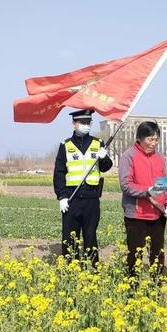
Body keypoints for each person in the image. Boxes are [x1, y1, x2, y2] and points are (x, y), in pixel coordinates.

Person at [53, 109, 113, 266]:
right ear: (74, 123)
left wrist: (104, 157)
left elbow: (106, 167)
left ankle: (93, 271)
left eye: (88, 123)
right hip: (72, 199)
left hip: (91, 198)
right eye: (82, 123)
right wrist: (61, 196)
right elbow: (59, 173)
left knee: (90, 236)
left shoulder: (97, 144)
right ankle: (71, 270)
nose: (85, 126)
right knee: (70, 237)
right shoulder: (65, 146)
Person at [118, 121, 167, 278]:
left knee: (158, 254)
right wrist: (146, 191)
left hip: (158, 213)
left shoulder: (160, 158)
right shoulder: (128, 156)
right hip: (136, 215)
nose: (153, 143)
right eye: (150, 139)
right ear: (140, 138)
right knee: (135, 255)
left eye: (156, 140)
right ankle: (132, 287)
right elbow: (126, 185)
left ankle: (156, 286)